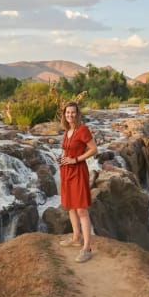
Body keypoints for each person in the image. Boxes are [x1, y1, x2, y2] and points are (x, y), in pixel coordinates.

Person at [57, 101, 98, 263]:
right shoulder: (67, 131)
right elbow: (66, 150)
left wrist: (75, 160)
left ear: (77, 114)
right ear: (64, 114)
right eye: (67, 113)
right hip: (66, 172)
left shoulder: (83, 130)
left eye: (73, 112)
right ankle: (76, 237)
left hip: (78, 172)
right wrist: (62, 158)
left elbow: (94, 149)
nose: (70, 115)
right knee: (70, 206)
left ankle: (87, 248)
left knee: (81, 209)